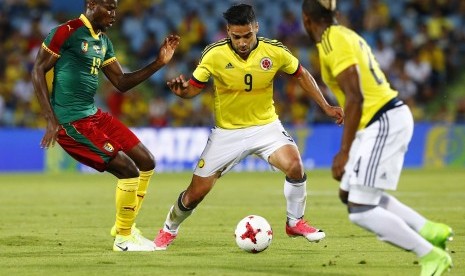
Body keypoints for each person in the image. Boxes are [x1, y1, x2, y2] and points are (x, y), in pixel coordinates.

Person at [153, 3, 344, 250]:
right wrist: (183, 92)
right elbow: (193, 88)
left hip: (266, 126)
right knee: (194, 194)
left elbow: (301, 74)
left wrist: (326, 106)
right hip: (227, 133)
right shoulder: (213, 54)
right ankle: (169, 229)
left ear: (256, 27)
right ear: (227, 32)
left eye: (247, 36)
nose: (242, 42)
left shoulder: (274, 51)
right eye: (236, 37)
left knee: (295, 166)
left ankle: (294, 221)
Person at [301, 0, 453, 275]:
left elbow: (356, 96)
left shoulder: (334, 41)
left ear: (306, 19)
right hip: (376, 121)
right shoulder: (342, 36)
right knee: (349, 193)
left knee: (361, 209)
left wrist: (345, 150)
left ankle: (430, 255)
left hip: (382, 120)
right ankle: (429, 229)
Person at [31, 0, 180, 251]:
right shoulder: (66, 32)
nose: (113, 14)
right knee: (128, 170)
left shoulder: (103, 41)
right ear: (91, 4)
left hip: (94, 115)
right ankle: (123, 239)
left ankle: (126, 227)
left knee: (147, 162)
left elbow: (121, 82)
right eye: (108, 8)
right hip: (71, 121)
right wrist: (50, 118)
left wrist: (158, 63)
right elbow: (37, 70)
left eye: (115, 9)